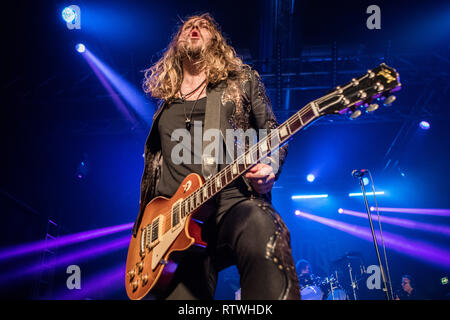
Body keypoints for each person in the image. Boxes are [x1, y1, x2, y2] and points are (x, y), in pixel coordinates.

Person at [132, 13, 300, 300]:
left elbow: (273, 130)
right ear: (177, 43)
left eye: (204, 26)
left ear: (216, 42)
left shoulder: (241, 81)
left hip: (229, 202)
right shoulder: (166, 103)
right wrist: (145, 230)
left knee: (261, 224)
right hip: (170, 229)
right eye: (188, 26)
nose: (195, 28)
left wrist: (270, 166)